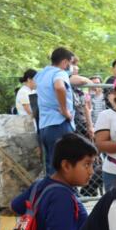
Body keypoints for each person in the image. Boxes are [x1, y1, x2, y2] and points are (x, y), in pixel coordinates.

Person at [35, 47, 75, 175]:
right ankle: (63, 194)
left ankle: (52, 193)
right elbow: (59, 86)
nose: (71, 66)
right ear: (64, 62)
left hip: (44, 126)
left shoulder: (40, 74)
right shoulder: (60, 72)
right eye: (71, 63)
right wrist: (65, 110)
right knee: (65, 166)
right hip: (59, 124)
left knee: (52, 167)